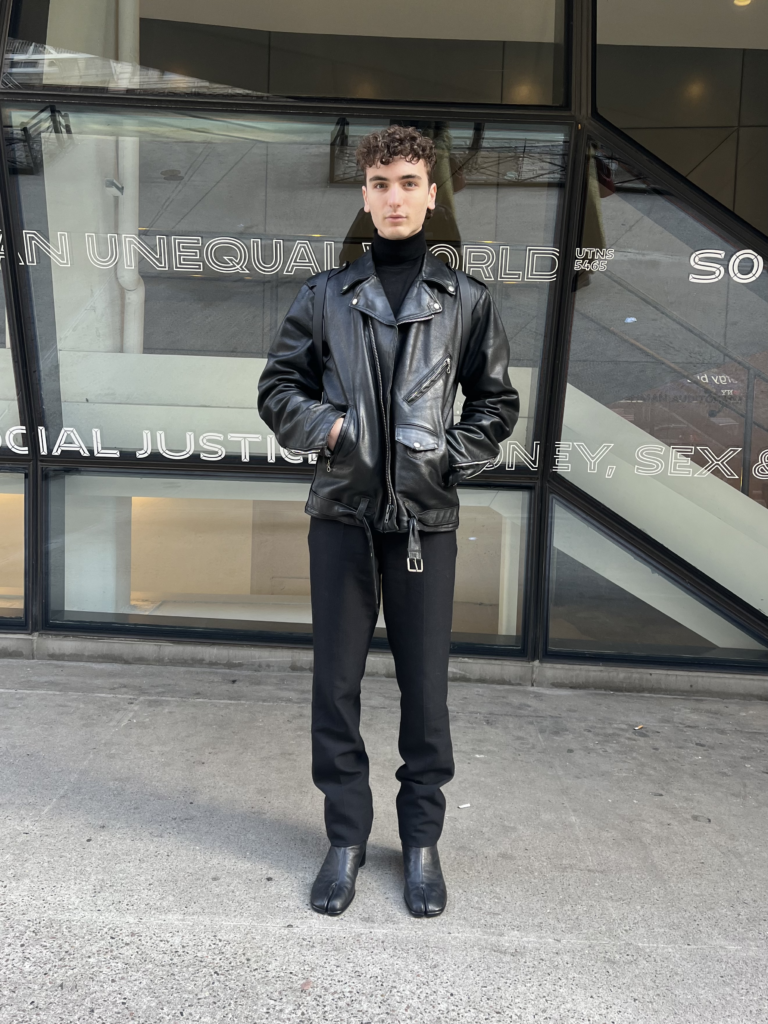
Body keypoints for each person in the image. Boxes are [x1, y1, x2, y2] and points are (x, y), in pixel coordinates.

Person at [258, 125, 519, 918]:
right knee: (334, 687)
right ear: (364, 194)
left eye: (409, 182)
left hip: (423, 524)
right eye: (380, 183)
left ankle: (421, 844)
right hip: (340, 515)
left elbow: (498, 403)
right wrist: (334, 430)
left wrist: (445, 454)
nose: (395, 197)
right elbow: (278, 390)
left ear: (432, 194)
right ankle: (344, 837)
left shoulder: (466, 300)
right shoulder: (325, 295)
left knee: (425, 692)